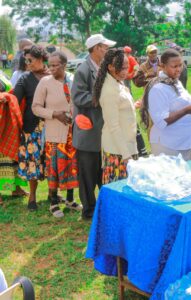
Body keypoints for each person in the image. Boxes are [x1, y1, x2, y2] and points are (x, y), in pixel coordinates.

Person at [71, 33, 116, 220]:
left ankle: (102, 208)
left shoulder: (104, 68)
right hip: (89, 133)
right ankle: (89, 210)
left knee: (103, 171)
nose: (107, 50)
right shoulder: (83, 70)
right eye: (105, 47)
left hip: (103, 131)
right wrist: (102, 99)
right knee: (88, 174)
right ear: (97, 48)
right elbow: (78, 97)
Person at [32, 51, 82, 218]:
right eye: (50, 65)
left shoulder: (73, 79)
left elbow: (77, 102)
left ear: (64, 65)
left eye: (55, 65)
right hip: (54, 134)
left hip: (72, 132)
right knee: (54, 168)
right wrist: (55, 114)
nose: (51, 68)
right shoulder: (45, 82)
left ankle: (69, 199)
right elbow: (36, 107)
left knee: (71, 166)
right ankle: (53, 202)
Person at [140, 49, 191, 160]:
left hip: (183, 141)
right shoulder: (158, 88)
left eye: (181, 65)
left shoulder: (175, 82)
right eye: (174, 66)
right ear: (163, 66)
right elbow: (161, 121)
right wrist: (186, 110)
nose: (179, 69)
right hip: (167, 145)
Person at [13, 45, 50, 211]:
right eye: (25, 60)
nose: (27, 63)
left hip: (53, 124)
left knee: (52, 159)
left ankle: (53, 194)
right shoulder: (25, 79)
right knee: (33, 161)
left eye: (30, 60)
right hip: (32, 126)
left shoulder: (54, 75)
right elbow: (14, 98)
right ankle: (33, 197)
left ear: (41, 58)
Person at [93, 48, 138, 184]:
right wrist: (126, 155)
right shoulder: (109, 91)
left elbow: (120, 109)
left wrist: (133, 106)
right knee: (120, 192)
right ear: (110, 67)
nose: (125, 71)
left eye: (126, 67)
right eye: (121, 68)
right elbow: (113, 126)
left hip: (126, 146)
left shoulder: (117, 81)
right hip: (118, 150)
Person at [0, 92, 27, 205]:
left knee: (12, 159)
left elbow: (12, 92)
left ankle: (16, 189)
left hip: (8, 126)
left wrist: (7, 97)